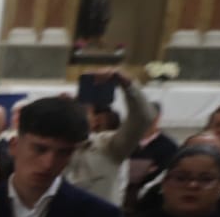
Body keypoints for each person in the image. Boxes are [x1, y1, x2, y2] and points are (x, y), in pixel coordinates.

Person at [65, 73, 155, 203]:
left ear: (95, 120)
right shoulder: (46, 150)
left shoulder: (107, 145)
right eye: (68, 110)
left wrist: (128, 85)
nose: (74, 114)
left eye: (82, 109)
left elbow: (143, 118)